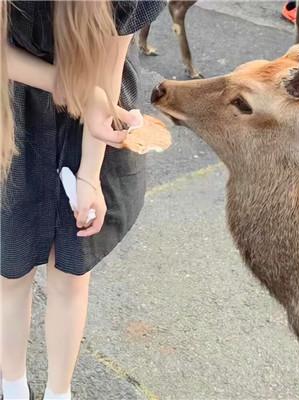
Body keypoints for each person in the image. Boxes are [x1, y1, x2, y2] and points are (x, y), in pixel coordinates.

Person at [0, 1, 168, 399]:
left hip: (96, 106)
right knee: (10, 270)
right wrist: (72, 88)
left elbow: (106, 75)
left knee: (72, 272)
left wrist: (89, 176)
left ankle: (60, 392)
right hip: (12, 109)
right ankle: (12, 386)